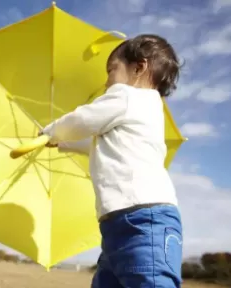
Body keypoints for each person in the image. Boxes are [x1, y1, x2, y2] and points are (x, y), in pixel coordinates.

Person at [40, 34, 183, 287]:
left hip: (144, 219)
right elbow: (96, 143)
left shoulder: (128, 98)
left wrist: (51, 131)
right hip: (117, 224)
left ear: (139, 67)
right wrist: (62, 143)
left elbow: (82, 120)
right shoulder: (142, 112)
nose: (107, 82)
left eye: (111, 70)